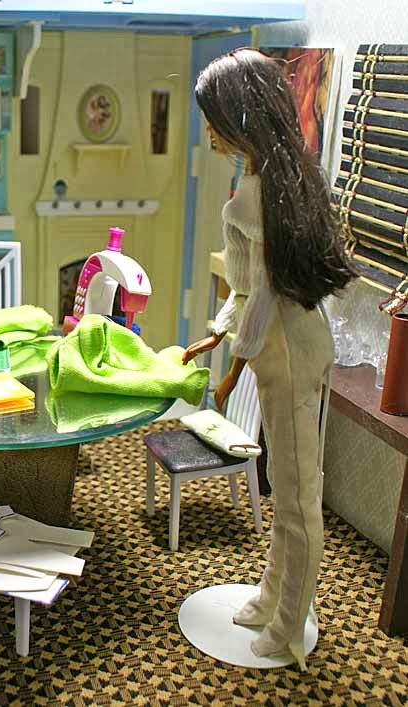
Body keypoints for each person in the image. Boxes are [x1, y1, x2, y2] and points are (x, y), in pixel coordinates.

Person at [182, 49, 355, 669]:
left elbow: (261, 299)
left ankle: (288, 623)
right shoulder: (272, 184)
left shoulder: (259, 197)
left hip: (286, 355)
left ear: (241, 117)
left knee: (298, 496)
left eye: (215, 120)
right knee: (287, 488)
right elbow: (249, 291)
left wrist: (234, 362)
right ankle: (271, 595)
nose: (210, 133)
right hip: (288, 349)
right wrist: (220, 336)